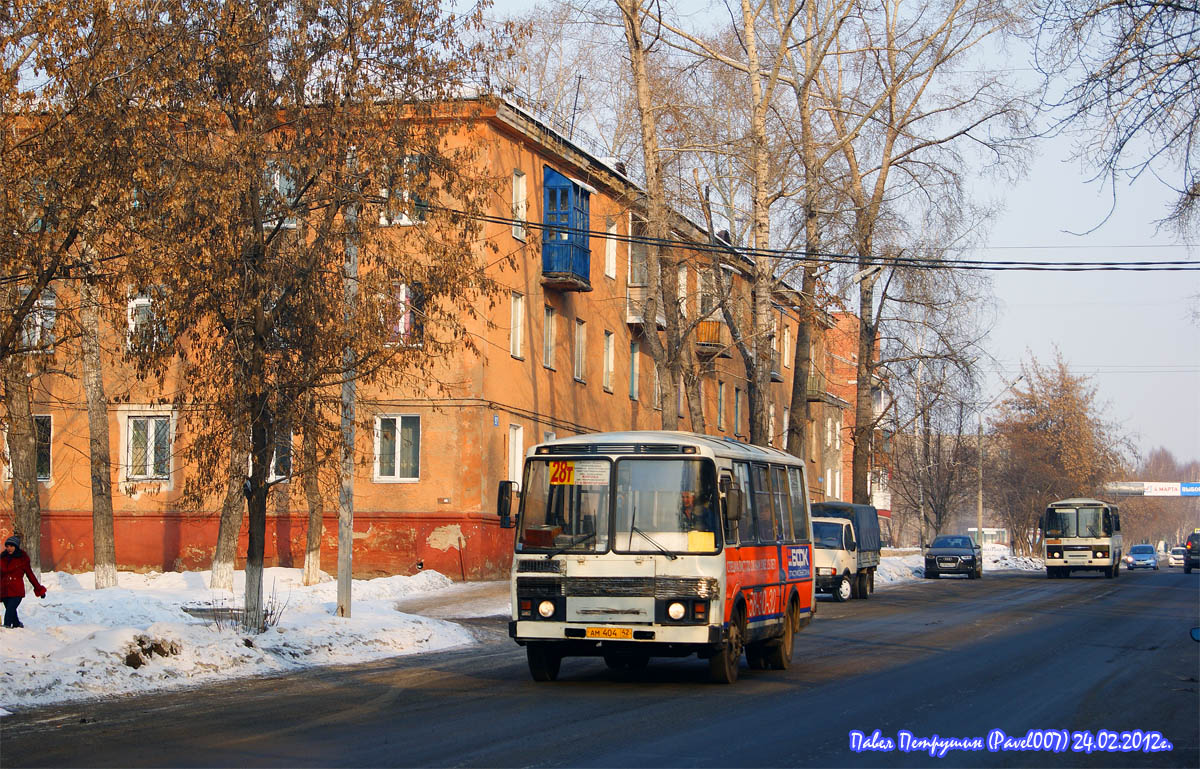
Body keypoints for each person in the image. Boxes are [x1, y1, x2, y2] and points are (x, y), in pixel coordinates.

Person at [1, 534, 47, 629]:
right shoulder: (2, 558)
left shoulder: (22, 559)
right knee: (11, 611)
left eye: (11, 546)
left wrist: (39, 590)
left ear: (16, 547)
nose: (9, 548)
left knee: (9, 611)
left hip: (16, 590)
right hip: (4, 590)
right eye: (7, 546)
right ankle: (17, 624)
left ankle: (6, 627)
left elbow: (30, 575)